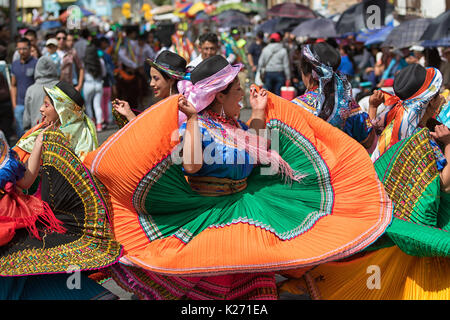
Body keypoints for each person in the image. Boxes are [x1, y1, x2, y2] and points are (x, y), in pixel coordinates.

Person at [84, 55, 392, 300]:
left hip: (245, 212)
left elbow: (257, 149)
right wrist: (191, 120)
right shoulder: (198, 128)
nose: (243, 94)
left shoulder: (233, 126)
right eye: (238, 90)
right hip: (212, 217)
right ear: (219, 96)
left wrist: (258, 112)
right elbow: (190, 166)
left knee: (257, 285)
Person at [280, 63, 450, 300]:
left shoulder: (395, 117)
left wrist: (372, 108)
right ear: (428, 102)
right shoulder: (415, 137)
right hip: (396, 217)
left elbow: (371, 141)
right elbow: (437, 187)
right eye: (437, 96)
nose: (442, 99)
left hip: (359, 195)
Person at [0, 112, 122, 300]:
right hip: (15, 228)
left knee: (46, 271)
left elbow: (24, 181)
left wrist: (40, 143)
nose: (41, 109)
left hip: (19, 226)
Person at [291, 43, 375, 149]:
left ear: (306, 73)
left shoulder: (296, 107)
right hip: (343, 163)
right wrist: (373, 107)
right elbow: (367, 141)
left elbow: (278, 144)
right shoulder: (348, 104)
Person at [14, 81, 98, 164]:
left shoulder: (52, 140)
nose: (41, 108)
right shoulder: (84, 132)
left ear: (62, 111)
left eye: (46, 105)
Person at [112, 50, 187, 127]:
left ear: (171, 80)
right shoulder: (166, 106)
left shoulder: (180, 109)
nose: (151, 84)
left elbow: (151, 136)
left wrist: (130, 115)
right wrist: (128, 113)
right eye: (151, 78)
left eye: (156, 78)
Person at [10, 37, 38, 139]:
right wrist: (14, 104)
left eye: (24, 48)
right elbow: (13, 85)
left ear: (30, 48)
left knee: (33, 133)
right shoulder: (15, 64)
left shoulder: (36, 63)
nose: (21, 51)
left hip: (33, 104)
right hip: (19, 105)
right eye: (19, 49)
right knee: (21, 135)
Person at [23, 56, 59, 131]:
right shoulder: (60, 87)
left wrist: (27, 131)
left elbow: (26, 118)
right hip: (58, 134)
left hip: (36, 131)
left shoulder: (31, 90)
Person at [83, 40, 106, 132]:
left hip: (88, 84)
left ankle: (92, 122)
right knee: (97, 105)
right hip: (98, 84)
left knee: (88, 104)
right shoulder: (100, 61)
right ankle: (99, 124)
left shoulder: (84, 63)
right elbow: (104, 73)